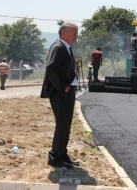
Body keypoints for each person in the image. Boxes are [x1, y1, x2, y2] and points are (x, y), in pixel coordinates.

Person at [40, 22, 79, 168]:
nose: (76, 36)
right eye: (74, 33)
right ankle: (55, 157)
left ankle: (62, 154)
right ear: (64, 33)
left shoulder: (65, 47)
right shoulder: (58, 47)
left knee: (66, 124)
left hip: (67, 91)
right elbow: (51, 67)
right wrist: (61, 87)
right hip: (60, 93)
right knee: (62, 124)